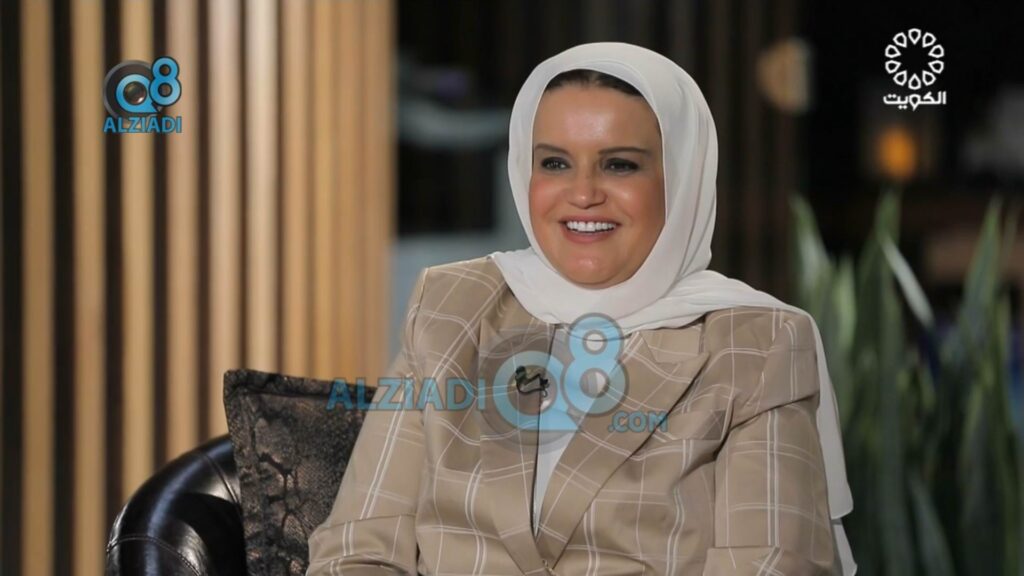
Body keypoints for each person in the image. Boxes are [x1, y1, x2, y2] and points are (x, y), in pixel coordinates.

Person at [307, 42, 855, 576]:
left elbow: (768, 565)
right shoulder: (453, 305)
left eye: (619, 165)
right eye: (555, 163)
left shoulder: (755, 344)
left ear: (681, 178)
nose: (584, 193)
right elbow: (358, 550)